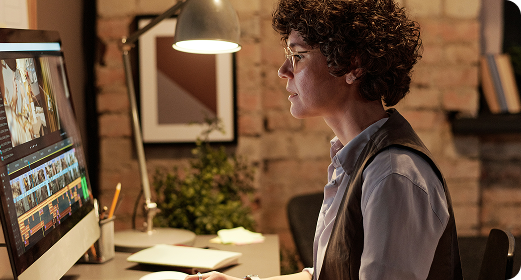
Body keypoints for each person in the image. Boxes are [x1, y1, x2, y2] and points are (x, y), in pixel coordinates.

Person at [186, 0, 462, 279]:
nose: (283, 70)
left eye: (299, 55)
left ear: (353, 65)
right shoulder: (354, 157)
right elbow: (324, 274)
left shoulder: (393, 174)